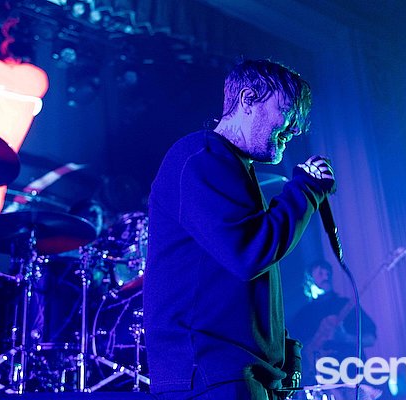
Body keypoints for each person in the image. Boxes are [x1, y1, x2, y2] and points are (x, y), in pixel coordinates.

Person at [143, 59, 337, 399]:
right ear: (248, 100)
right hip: (210, 375)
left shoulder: (231, 168)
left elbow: (241, 283)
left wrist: (282, 351)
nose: (295, 129)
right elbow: (248, 254)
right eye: (287, 111)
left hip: (236, 374)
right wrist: (306, 190)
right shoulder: (201, 156)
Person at [288, 261, 379, 399]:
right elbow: (293, 349)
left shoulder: (345, 305)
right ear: (309, 279)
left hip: (352, 374)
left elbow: (371, 338)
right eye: (320, 273)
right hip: (321, 380)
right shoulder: (303, 316)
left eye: (328, 273)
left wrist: (345, 338)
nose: (326, 276)